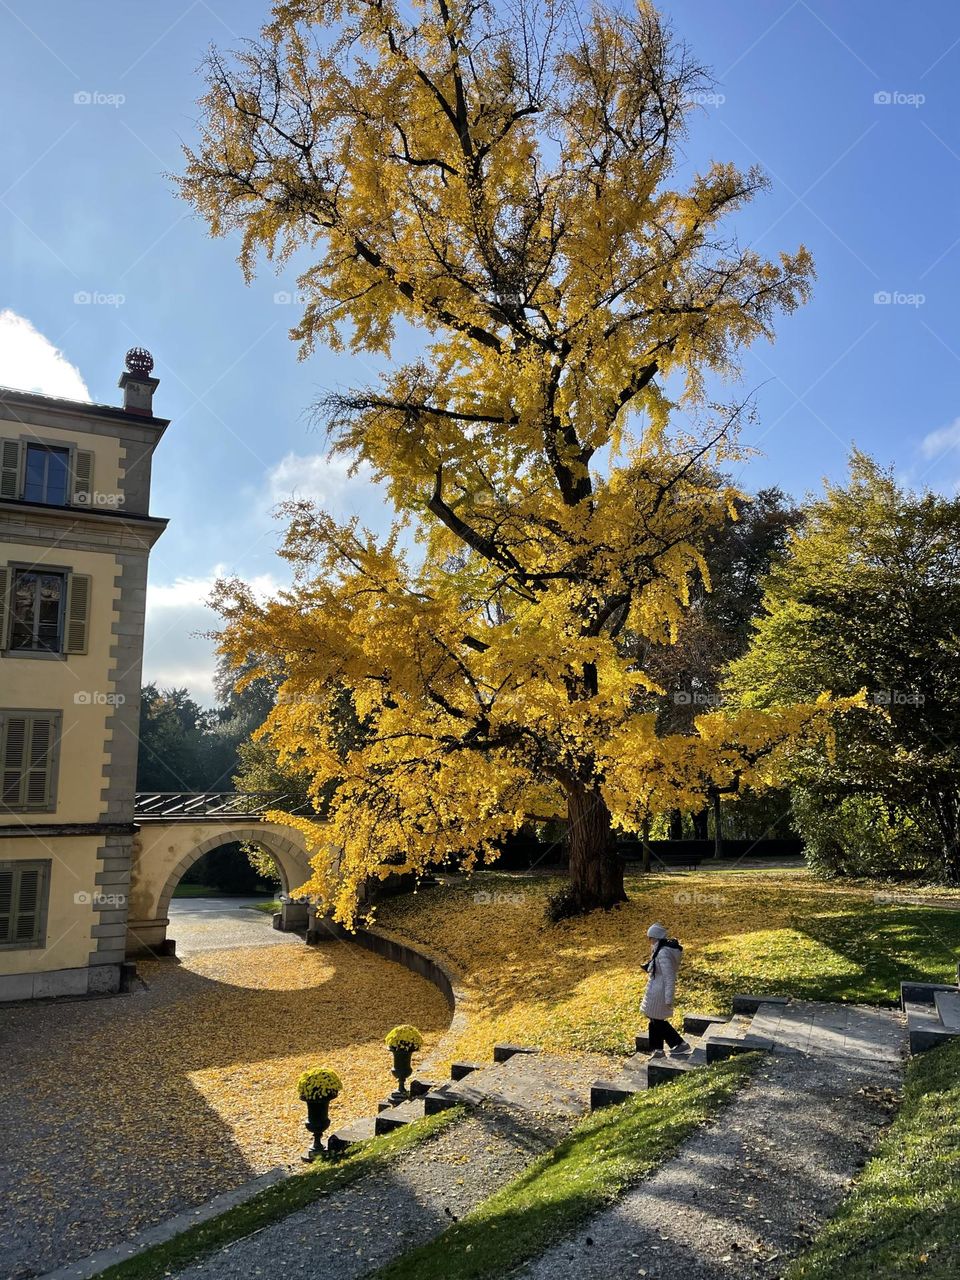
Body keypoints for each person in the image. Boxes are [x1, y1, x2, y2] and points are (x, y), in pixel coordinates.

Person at [640, 922, 692, 1058]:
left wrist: (669, 998)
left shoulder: (663, 953)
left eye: (650, 938)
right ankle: (657, 1049)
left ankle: (679, 1044)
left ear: (656, 937)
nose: (649, 941)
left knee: (657, 1021)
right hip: (655, 989)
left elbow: (669, 977)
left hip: (660, 992)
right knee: (654, 1019)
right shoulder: (658, 950)